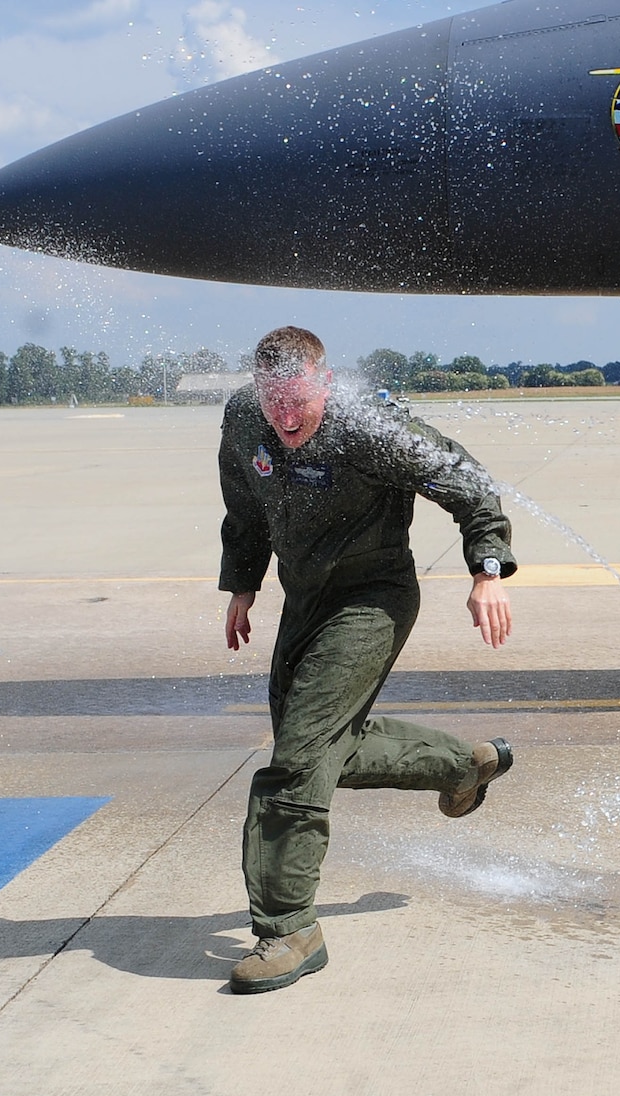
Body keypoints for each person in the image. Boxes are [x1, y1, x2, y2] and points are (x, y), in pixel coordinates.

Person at [217, 326, 518, 994]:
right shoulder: (244, 416)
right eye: (274, 401)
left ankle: (289, 927)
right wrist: (243, 583)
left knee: (297, 758)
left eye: (298, 399)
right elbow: (244, 505)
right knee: (327, 752)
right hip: (305, 600)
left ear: (325, 381)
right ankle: (462, 764)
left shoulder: (369, 425)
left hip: (372, 600)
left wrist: (487, 568)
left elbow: (467, 481)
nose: (286, 417)